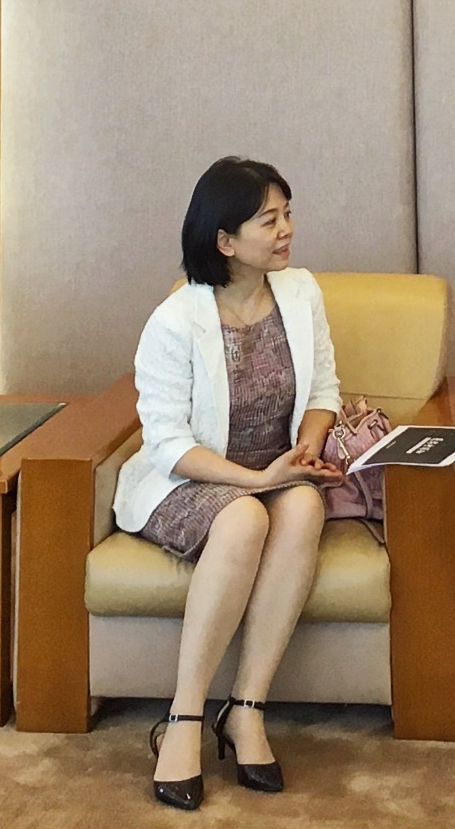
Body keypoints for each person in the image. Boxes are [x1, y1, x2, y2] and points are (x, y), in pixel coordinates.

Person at [113, 157, 344, 811]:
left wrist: (305, 448)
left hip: (277, 469)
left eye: (288, 214)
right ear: (225, 240)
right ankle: (184, 719)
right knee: (245, 516)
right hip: (189, 480)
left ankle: (246, 710)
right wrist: (254, 480)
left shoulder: (300, 293)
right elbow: (169, 444)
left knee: (303, 508)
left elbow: (324, 391)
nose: (286, 230)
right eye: (268, 220)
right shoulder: (174, 321)